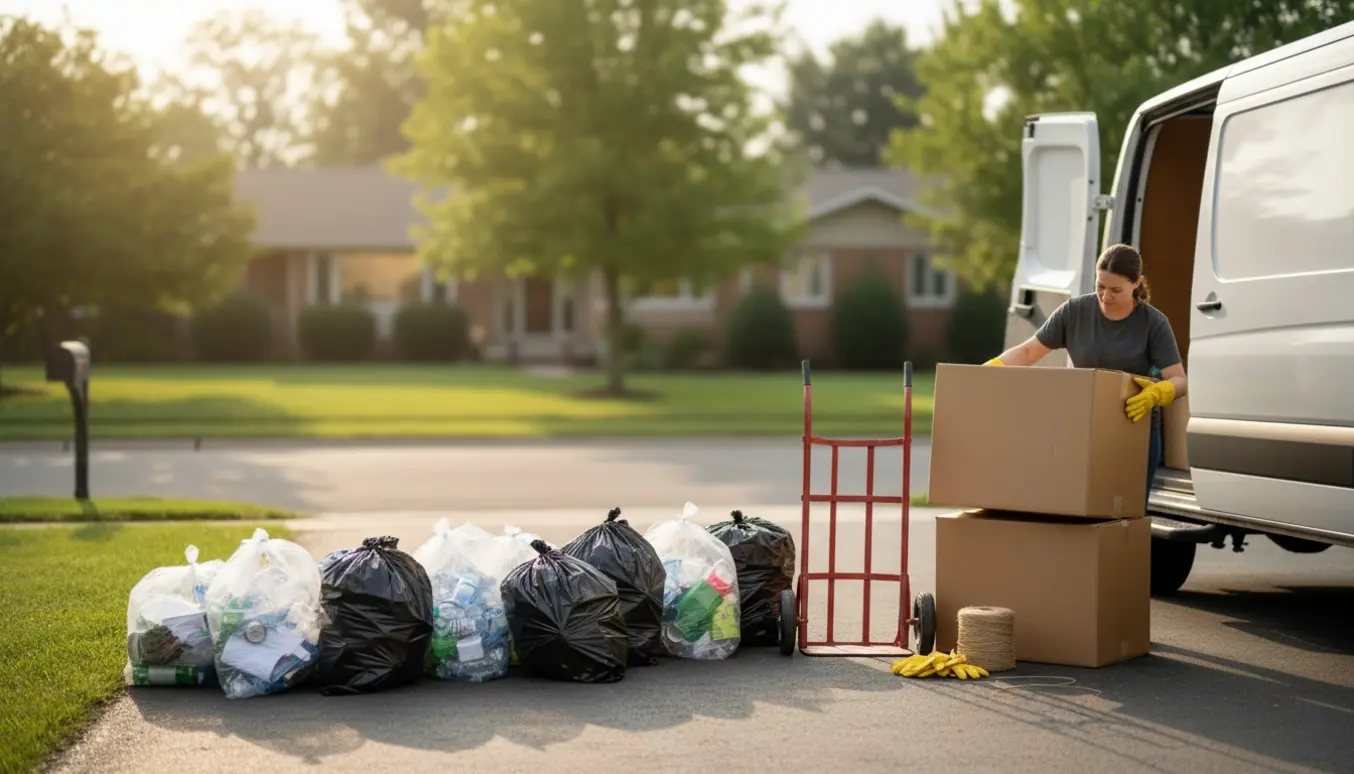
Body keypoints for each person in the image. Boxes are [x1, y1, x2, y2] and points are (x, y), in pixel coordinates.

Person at [983, 243, 1188, 502]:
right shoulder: (1075, 312)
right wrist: (989, 372)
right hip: (1082, 430)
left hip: (1134, 434)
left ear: (1137, 283)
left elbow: (1179, 380)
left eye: (1116, 290)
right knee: (1077, 511)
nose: (1105, 296)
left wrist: (1160, 391)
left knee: (1124, 519)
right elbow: (1027, 352)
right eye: (1100, 286)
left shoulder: (1153, 323)